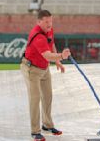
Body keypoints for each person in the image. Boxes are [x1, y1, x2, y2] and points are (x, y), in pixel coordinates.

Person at [21, 10, 71, 141]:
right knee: (35, 99)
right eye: (46, 22)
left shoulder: (49, 30)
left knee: (48, 96)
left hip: (44, 68)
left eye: (51, 21)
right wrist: (61, 56)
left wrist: (58, 62)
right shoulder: (38, 36)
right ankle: (35, 131)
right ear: (39, 22)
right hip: (32, 69)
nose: (50, 24)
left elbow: (52, 44)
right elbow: (47, 55)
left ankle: (47, 125)